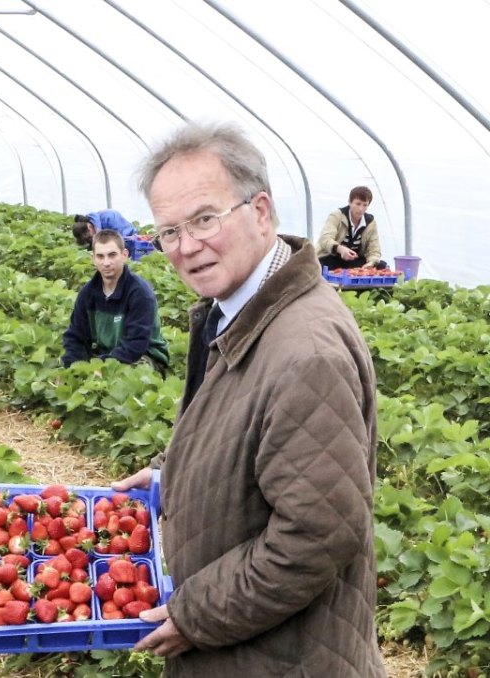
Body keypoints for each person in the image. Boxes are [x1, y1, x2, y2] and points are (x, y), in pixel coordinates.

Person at [112, 122, 384, 676]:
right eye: (169, 232)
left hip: (285, 659)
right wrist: (174, 475)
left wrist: (194, 614)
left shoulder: (306, 353)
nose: (187, 247)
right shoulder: (241, 307)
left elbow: (314, 537)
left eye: (204, 219)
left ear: (261, 211)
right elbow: (250, 435)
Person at [61, 229, 170, 371]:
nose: (106, 263)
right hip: (106, 354)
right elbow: (75, 336)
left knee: (127, 374)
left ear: (124, 255)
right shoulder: (87, 293)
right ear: (93, 259)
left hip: (144, 355)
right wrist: (74, 368)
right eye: (100, 256)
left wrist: (99, 368)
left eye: (112, 255)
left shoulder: (140, 293)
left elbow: (136, 344)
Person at [317, 185, 387, 270]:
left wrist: (371, 263)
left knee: (381, 265)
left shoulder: (370, 223)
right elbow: (325, 239)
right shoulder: (337, 216)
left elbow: (374, 249)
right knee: (321, 265)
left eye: (365, 205)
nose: (361, 209)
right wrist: (340, 249)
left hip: (352, 260)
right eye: (358, 204)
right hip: (330, 257)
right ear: (350, 202)